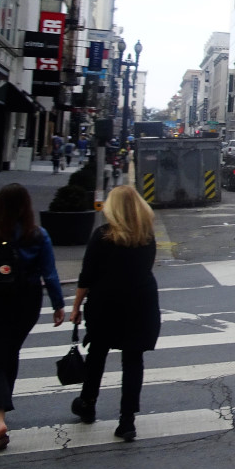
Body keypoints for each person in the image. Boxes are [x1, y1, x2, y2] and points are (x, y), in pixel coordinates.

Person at [69, 186, 161, 443]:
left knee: (97, 353)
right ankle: (127, 420)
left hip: (106, 302)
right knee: (133, 360)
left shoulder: (102, 236)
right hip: (141, 302)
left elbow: (87, 275)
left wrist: (76, 307)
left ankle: (88, 403)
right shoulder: (146, 236)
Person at [0, 184, 65, 451]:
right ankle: (1, 410)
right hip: (27, 301)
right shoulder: (37, 234)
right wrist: (58, 305)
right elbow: (50, 273)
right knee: (10, 351)